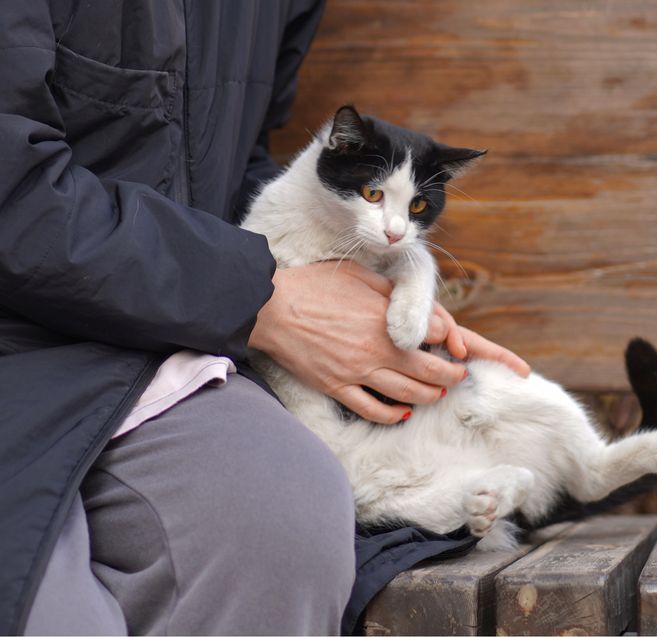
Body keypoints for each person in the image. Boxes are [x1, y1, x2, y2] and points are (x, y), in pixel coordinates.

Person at [0, 1, 529, 634]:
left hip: (172, 351)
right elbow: (15, 189)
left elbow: (225, 167)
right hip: (29, 350)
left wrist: (352, 289)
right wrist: (262, 298)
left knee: (288, 519)